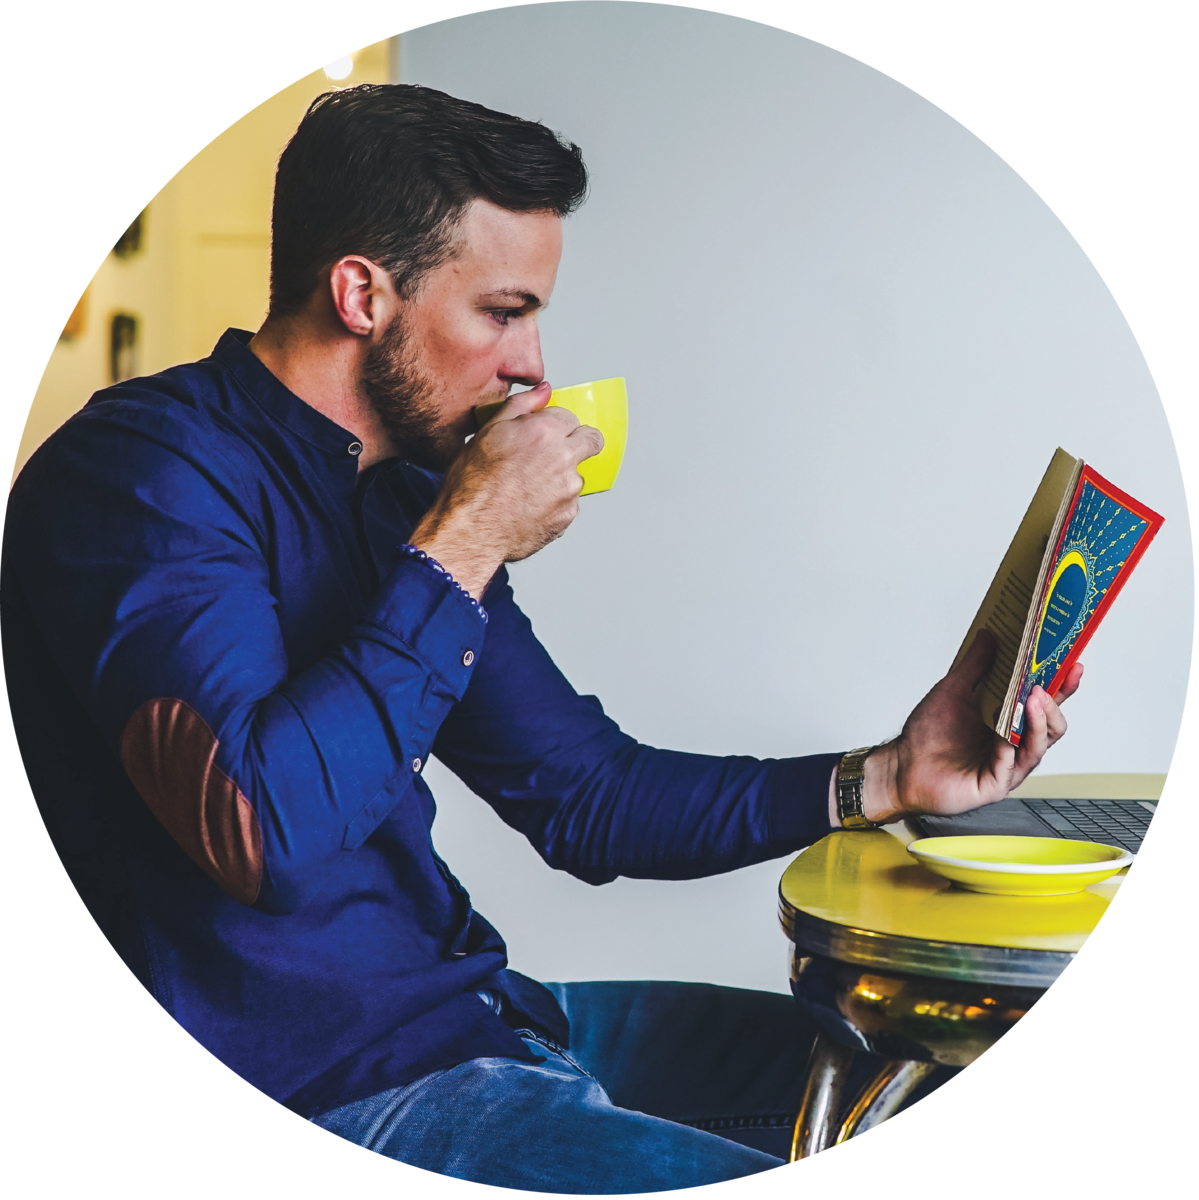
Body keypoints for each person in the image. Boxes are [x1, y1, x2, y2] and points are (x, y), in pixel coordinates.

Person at [1, 85, 1081, 1191]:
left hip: (488, 1020)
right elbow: (261, 834)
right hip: (331, 1084)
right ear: (362, 292)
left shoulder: (403, 500)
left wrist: (891, 775)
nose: (531, 367)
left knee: (932, 1071)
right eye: (502, 312)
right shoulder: (141, 476)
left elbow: (587, 798)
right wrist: (465, 542)